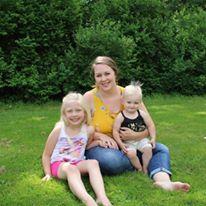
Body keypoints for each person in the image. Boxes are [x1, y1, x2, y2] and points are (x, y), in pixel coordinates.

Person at [84, 56, 190, 192]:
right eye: (99, 75)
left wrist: (136, 135)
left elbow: (148, 124)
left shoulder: (129, 93)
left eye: (107, 73)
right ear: (94, 78)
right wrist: (98, 135)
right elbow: (79, 128)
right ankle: (140, 163)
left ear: (115, 73)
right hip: (102, 147)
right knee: (111, 161)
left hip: (131, 145)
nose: (103, 79)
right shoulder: (89, 97)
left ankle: (163, 181)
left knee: (161, 148)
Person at [42, 92, 112, 206]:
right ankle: (88, 201)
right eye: (70, 111)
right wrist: (48, 174)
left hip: (77, 162)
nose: (74, 114)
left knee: (93, 163)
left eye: (78, 110)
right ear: (64, 114)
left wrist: (98, 142)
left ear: (84, 112)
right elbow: (46, 154)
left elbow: (85, 146)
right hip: (59, 165)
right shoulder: (59, 130)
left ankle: (102, 197)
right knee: (71, 169)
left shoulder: (88, 130)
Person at [113, 82, 155, 174]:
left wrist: (153, 138)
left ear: (140, 103)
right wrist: (120, 144)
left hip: (141, 140)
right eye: (129, 102)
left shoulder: (141, 114)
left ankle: (145, 167)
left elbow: (151, 125)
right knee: (131, 154)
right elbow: (115, 131)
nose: (132, 105)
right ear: (123, 101)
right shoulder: (121, 116)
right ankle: (139, 168)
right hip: (127, 142)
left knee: (148, 149)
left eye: (136, 103)